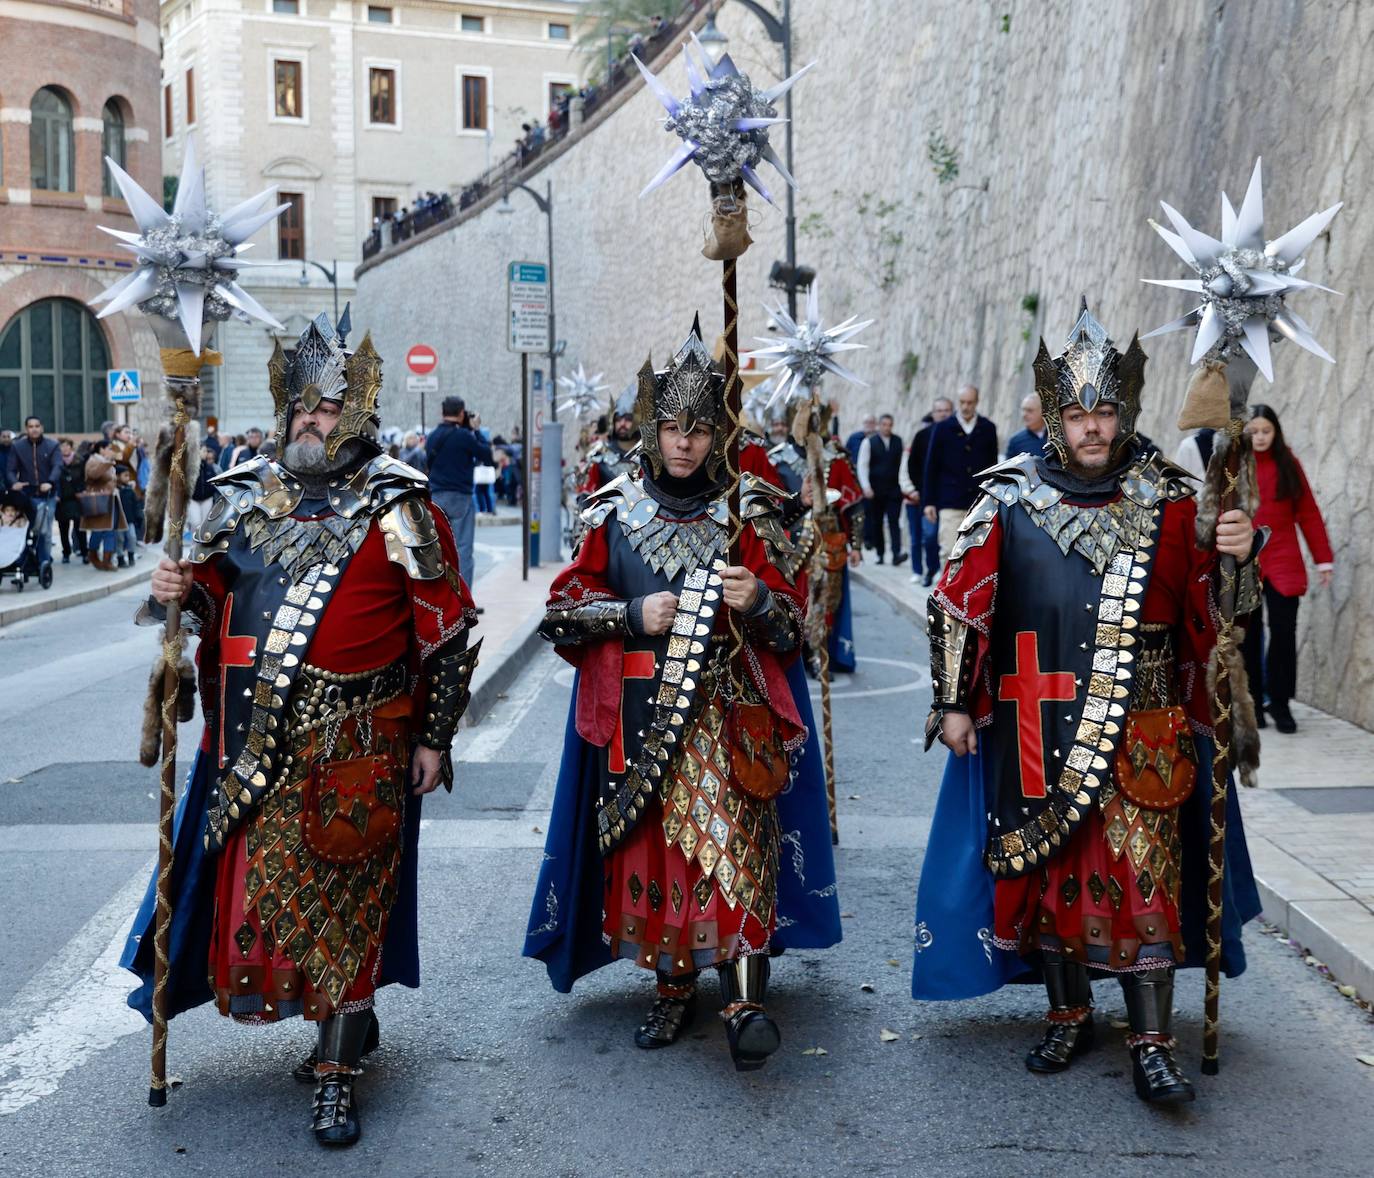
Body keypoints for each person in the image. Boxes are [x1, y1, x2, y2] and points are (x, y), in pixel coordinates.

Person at [126, 310, 481, 1148]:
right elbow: (209, 600)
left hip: (359, 744)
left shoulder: (399, 505)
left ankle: (336, 1074)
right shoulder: (242, 497)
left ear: (357, 413)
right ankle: (339, 1021)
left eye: (327, 408)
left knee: (350, 901)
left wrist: (435, 738)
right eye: (302, 408)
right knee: (272, 902)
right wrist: (179, 589)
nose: (311, 422)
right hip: (254, 744)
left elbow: (446, 633)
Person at [911, 303, 1262, 1105]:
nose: (1093, 427)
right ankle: (1067, 1013)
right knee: (1053, 875)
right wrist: (953, 701)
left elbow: (1220, 613)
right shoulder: (1010, 497)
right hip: (1035, 725)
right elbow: (958, 602)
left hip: (1145, 728)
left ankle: (1152, 1042)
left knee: (1146, 878)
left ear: (1124, 411)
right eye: (1077, 414)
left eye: (1104, 412)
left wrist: (1239, 556)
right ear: (1056, 417)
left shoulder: (1173, 499)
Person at [524, 320, 840, 1070]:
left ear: (717, 432)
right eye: (672, 428)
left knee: (738, 847)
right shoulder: (613, 510)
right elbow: (561, 612)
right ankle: (671, 986)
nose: (685, 443)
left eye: (699, 429)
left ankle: (745, 999)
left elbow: (795, 628)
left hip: (731, 719)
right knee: (659, 855)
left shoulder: (748, 509)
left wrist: (759, 600)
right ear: (651, 428)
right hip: (641, 725)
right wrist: (631, 614)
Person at [1241, 404, 1334, 734]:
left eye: (1266, 431)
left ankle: (1280, 703)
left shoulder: (1287, 462)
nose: (1260, 437)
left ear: (1276, 432)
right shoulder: (1234, 465)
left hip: (1283, 557)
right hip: (1245, 558)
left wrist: (1323, 559)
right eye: (1254, 431)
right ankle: (1252, 704)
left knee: (1283, 632)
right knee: (1248, 635)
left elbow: (1307, 511)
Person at [768, 402, 864, 673]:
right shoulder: (776, 459)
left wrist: (856, 544)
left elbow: (854, 505)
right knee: (794, 598)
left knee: (825, 600)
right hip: (789, 543)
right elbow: (771, 506)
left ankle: (819, 652)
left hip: (828, 540)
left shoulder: (836, 458)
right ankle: (795, 649)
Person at [922, 384, 999, 565]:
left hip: (979, 501)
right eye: (962, 402)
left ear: (977, 402)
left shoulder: (988, 428)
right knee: (949, 550)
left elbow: (993, 467)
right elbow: (931, 466)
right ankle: (947, 584)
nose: (965, 406)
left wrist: (993, 498)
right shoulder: (942, 428)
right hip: (950, 500)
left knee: (975, 554)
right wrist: (929, 501)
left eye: (970, 402)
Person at [425, 395, 493, 588]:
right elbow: (487, 455)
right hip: (460, 498)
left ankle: (441, 595)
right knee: (463, 549)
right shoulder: (465, 436)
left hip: (436, 498)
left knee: (438, 549)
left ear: (442, 412)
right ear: (462, 413)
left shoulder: (433, 436)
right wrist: (476, 430)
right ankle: (463, 598)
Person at [899, 396, 953, 586]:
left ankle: (947, 575)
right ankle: (932, 568)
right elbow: (912, 465)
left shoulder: (959, 434)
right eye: (939, 411)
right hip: (928, 497)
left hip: (951, 497)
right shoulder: (922, 436)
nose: (943, 414)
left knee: (949, 538)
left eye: (946, 410)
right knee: (929, 536)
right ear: (933, 413)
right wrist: (922, 489)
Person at [6, 415, 62, 568]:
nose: (34, 429)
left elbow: (57, 466)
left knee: (44, 530)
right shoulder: (18, 447)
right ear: (26, 429)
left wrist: (50, 482)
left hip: (47, 495)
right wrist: (14, 482)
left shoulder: (52, 445)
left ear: (41, 427)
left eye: (37, 426)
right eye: (31, 427)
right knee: (26, 529)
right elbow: (10, 469)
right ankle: (27, 561)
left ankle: (44, 562)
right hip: (27, 495)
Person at [577, 381, 641, 497]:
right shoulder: (600, 457)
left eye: (628, 419)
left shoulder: (648, 455)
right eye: (618, 419)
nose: (622, 424)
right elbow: (586, 496)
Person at [856, 413, 905, 565]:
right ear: (879, 425)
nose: (886, 428)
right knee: (876, 522)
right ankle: (880, 553)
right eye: (884, 424)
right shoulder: (869, 442)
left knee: (894, 521)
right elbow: (862, 465)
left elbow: (902, 464)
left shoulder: (898, 441)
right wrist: (866, 486)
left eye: (889, 425)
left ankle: (896, 553)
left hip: (893, 489)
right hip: (875, 490)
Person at [81, 436, 126, 570]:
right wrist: (108, 462)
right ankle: (93, 554)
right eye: (109, 448)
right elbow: (93, 475)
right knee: (98, 530)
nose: (111, 451)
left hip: (111, 499)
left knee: (111, 531)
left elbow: (111, 479)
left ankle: (107, 560)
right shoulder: (93, 460)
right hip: (98, 500)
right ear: (101, 449)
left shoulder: (107, 462)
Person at [56, 437, 88, 564]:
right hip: (62, 499)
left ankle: (84, 552)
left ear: (71, 447)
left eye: (67, 446)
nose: (65, 449)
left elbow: (85, 478)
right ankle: (66, 552)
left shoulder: (80, 460)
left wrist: (82, 490)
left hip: (76, 498)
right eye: (62, 446)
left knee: (80, 527)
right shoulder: (56, 462)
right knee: (63, 528)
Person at [1005, 392, 1047, 459]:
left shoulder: (1057, 437)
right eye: (1023, 410)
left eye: (1030, 410)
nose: (1024, 415)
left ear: (1043, 411)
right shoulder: (1016, 441)